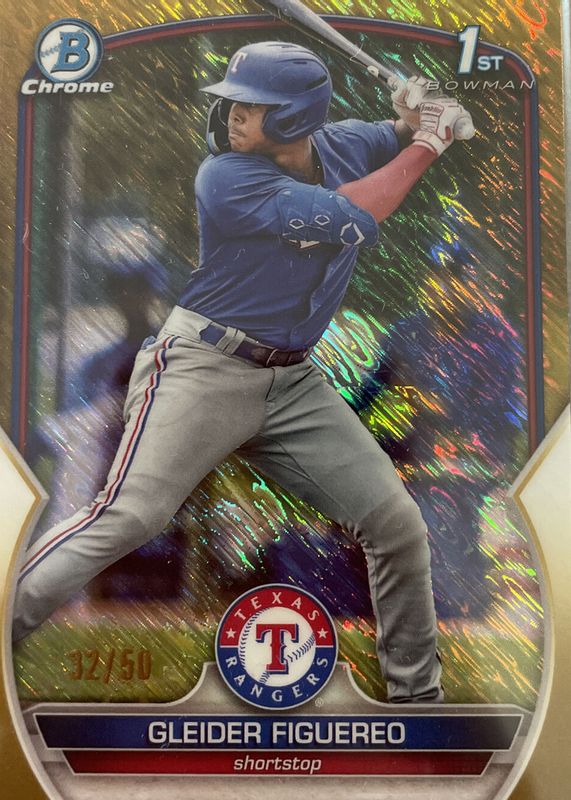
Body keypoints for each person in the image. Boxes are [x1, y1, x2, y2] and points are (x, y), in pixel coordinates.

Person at [12, 42, 473, 704]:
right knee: (129, 516)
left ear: (296, 118)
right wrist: (430, 142)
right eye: (234, 103)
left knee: (396, 525)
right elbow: (353, 215)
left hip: (293, 381)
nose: (233, 115)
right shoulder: (227, 178)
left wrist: (413, 115)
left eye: (253, 106)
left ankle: (417, 701)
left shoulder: (342, 143)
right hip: (204, 367)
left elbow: (387, 136)